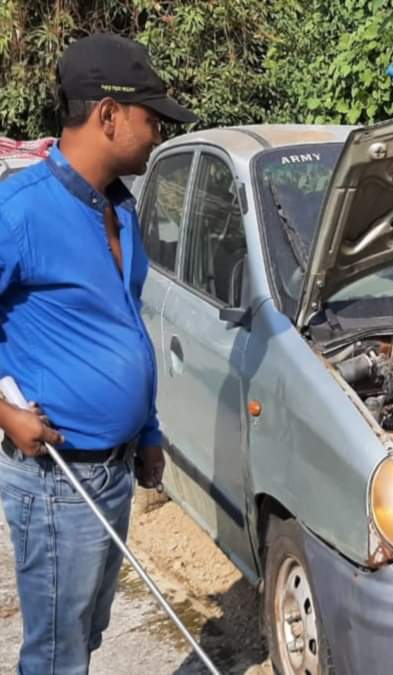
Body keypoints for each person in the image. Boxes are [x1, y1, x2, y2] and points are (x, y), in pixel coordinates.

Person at [0, 34, 197, 674]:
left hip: (112, 471)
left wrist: (148, 431)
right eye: (151, 117)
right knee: (56, 655)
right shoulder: (19, 212)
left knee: (84, 635)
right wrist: (5, 417)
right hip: (58, 477)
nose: (157, 132)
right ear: (109, 114)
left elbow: (121, 325)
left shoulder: (120, 208)